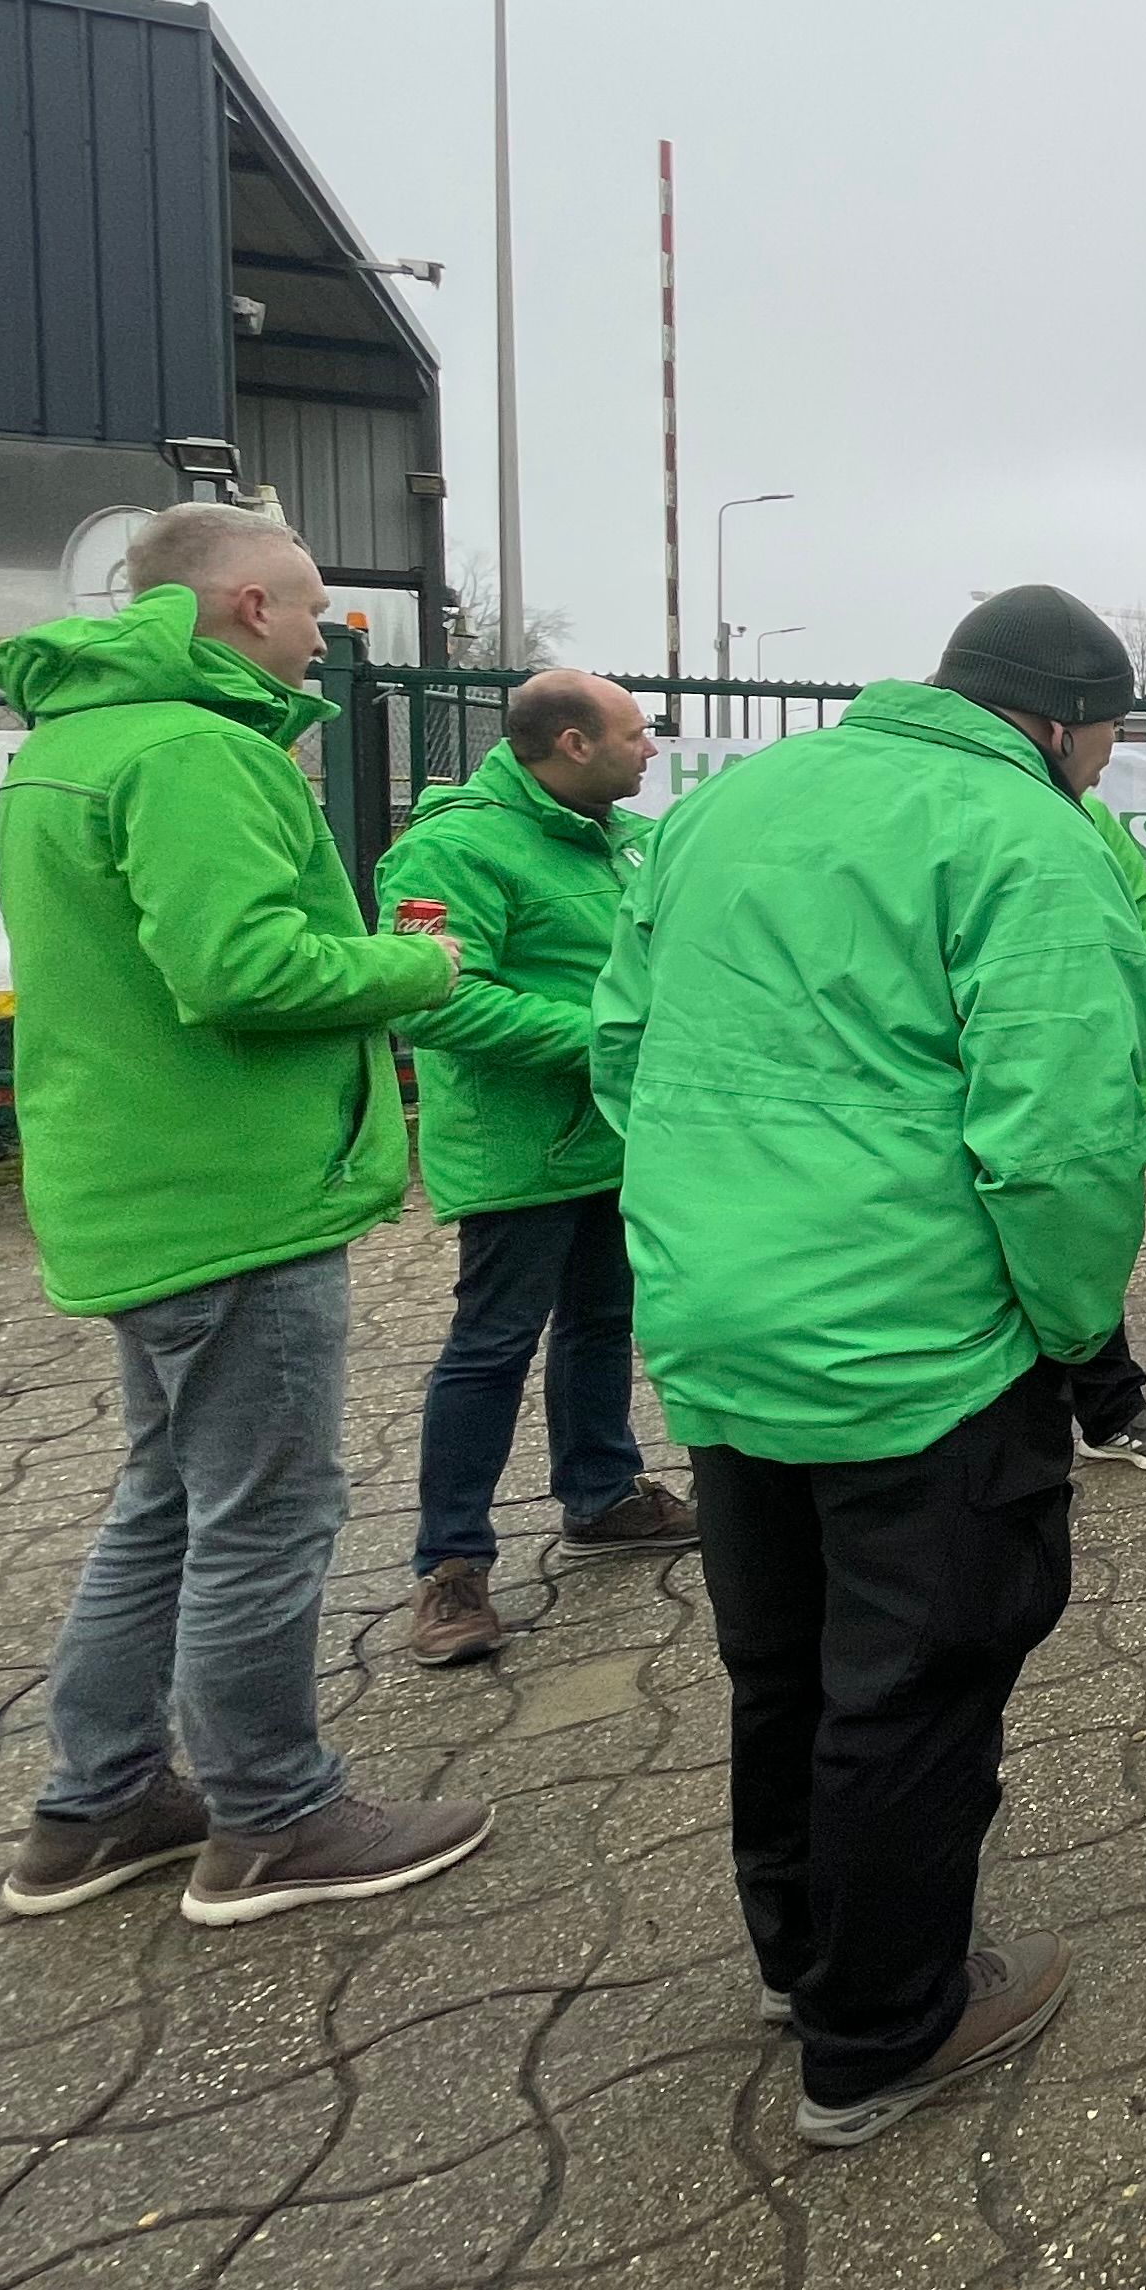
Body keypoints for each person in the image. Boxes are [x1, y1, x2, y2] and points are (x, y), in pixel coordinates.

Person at [597, 584, 1146, 2150]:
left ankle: (801, 1958)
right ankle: (882, 2030)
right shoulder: (1030, 838)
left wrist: (717, 1222)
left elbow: (622, 1048)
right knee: (913, 1688)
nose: (1103, 767)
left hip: (722, 1326)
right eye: (1106, 740)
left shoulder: (729, 805)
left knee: (780, 1665)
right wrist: (1072, 1333)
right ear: (1058, 720)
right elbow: (1060, 1141)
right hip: (922, 1350)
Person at [0, 505, 493, 1926]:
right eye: (313, 607)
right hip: (233, 1198)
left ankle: (96, 1806)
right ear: (252, 607)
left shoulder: (71, 746)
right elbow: (241, 971)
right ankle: (274, 1816)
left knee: (166, 1499)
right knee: (266, 1516)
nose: (326, 633)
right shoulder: (196, 752)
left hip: (135, 1186)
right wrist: (416, 970)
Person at [377, 669, 698, 1673]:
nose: (651, 750)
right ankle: (450, 1566)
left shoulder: (626, 839)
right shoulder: (451, 849)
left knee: (602, 1321)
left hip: (614, 1136)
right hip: (520, 1148)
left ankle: (600, 1496)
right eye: (636, 734)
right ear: (572, 744)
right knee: (492, 1343)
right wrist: (608, 1040)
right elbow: (431, 1000)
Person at [1062, 771, 1146, 1476]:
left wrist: (1145, 1076)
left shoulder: (1081, 812)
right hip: (934, 1086)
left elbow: (1141, 933)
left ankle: (1109, 1410)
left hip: (1072, 1078)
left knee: (1078, 1240)